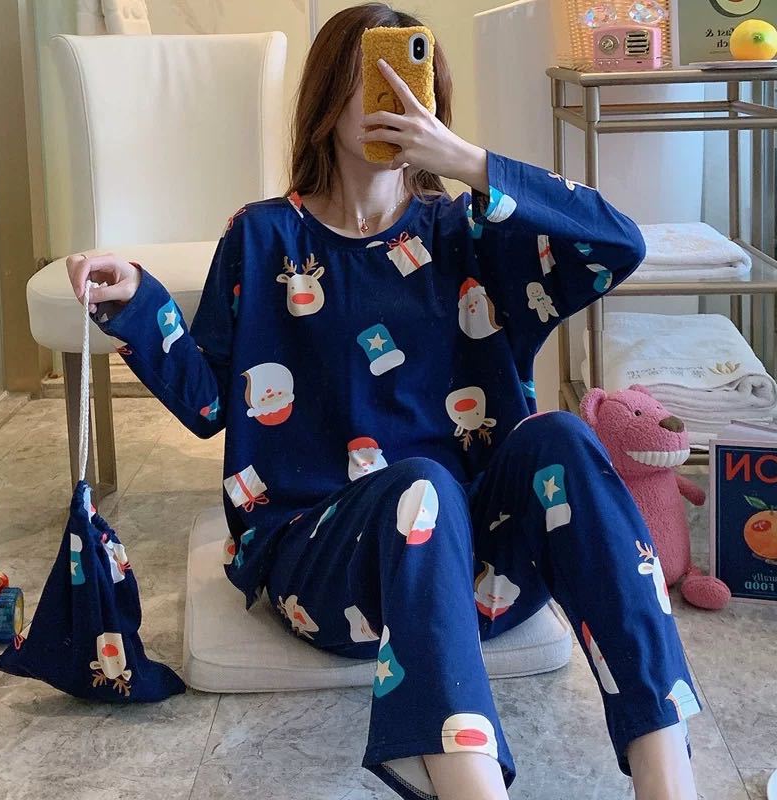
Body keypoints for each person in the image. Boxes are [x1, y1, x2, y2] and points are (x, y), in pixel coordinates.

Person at [66, 4, 702, 799]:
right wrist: (136, 303)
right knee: (420, 486)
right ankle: (466, 782)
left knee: (565, 439)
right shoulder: (263, 238)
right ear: (327, 99)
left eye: (413, 82)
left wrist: (466, 161)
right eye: (372, 77)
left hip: (474, 573)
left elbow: (620, 243)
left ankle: (668, 780)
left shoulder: (468, 232)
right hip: (323, 565)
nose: (392, 98)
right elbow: (208, 405)